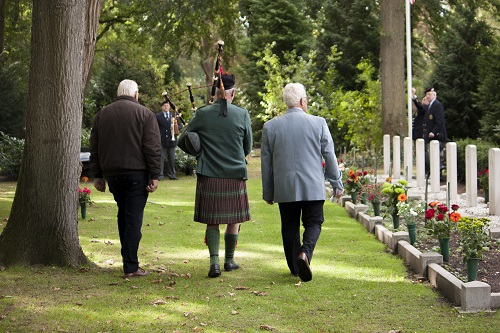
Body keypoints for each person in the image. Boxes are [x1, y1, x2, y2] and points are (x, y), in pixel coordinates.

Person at [261, 83, 344, 282]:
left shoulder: (270, 126)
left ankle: (295, 268)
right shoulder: (319, 123)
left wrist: (268, 192)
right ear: (302, 101)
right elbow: (329, 155)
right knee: (314, 223)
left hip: (285, 186)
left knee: (289, 226)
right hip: (312, 185)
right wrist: (336, 183)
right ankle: (304, 254)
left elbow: (266, 164)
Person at [177, 73, 253, 278]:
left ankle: (214, 264)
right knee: (233, 219)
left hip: (209, 173)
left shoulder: (202, 114)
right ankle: (229, 261)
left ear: (215, 91)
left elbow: (182, 140)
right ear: (233, 92)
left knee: (213, 220)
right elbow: (247, 146)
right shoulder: (242, 114)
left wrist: (198, 151)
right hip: (235, 173)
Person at [89, 79, 162, 279]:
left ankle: (128, 261)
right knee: (132, 220)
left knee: (124, 216)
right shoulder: (145, 114)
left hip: (113, 175)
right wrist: (155, 175)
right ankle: (130, 266)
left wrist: (97, 175)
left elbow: (94, 147)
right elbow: (153, 147)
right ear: (136, 94)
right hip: (136, 174)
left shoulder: (102, 115)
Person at [421, 87, 448, 175]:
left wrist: (434, 132)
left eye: (429, 94)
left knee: (437, 157)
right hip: (431, 136)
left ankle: (438, 175)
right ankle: (434, 174)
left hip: (437, 136)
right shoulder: (430, 105)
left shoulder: (437, 105)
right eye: (426, 95)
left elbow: (440, 121)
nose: (427, 96)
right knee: (433, 156)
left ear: (434, 95)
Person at [156, 101, 178, 180]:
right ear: (162, 107)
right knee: (161, 159)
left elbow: (179, 126)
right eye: (164, 105)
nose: (166, 107)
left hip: (171, 141)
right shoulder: (158, 116)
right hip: (162, 140)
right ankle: (160, 175)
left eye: (167, 105)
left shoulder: (174, 115)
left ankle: (172, 175)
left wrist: (176, 128)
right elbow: (155, 128)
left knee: (172, 159)